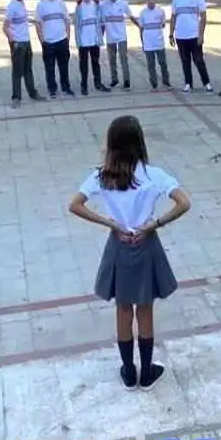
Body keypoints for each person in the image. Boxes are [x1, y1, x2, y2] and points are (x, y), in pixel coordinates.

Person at [69, 115, 190, 390]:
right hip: (146, 245)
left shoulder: (102, 176)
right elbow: (184, 203)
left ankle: (128, 370)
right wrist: (154, 224)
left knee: (123, 309)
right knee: (145, 309)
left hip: (119, 245)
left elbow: (74, 205)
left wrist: (110, 223)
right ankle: (147, 372)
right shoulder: (153, 175)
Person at [4, 0, 45, 108]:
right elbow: (5, 27)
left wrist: (34, 21)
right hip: (18, 43)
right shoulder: (12, 6)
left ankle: (33, 93)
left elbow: (21, 20)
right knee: (17, 71)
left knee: (28, 69)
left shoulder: (22, 3)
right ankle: (16, 97)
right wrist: (13, 41)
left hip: (26, 41)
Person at [169, 0, 212, 93]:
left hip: (194, 35)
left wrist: (201, 35)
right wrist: (171, 34)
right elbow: (173, 17)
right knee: (185, 61)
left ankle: (206, 82)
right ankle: (188, 83)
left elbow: (203, 17)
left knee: (198, 60)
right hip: (181, 36)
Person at [34, 0, 74, 99]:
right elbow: (37, 23)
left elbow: (67, 20)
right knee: (49, 68)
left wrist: (67, 37)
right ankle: (52, 89)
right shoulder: (41, 5)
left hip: (62, 40)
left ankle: (66, 87)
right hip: (48, 42)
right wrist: (42, 41)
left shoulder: (61, 3)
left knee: (64, 66)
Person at [74, 0, 110, 96]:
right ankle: (84, 85)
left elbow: (102, 20)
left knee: (96, 62)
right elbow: (77, 24)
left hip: (94, 39)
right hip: (84, 40)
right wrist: (78, 40)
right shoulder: (79, 6)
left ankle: (98, 83)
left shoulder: (96, 4)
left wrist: (100, 36)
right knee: (83, 64)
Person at [100, 0, 138, 90]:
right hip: (110, 37)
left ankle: (126, 81)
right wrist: (101, 36)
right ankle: (114, 79)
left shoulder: (123, 3)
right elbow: (102, 22)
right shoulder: (103, 5)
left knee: (123, 59)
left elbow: (131, 16)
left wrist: (139, 26)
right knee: (111, 59)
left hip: (121, 37)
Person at [138, 0, 171, 91]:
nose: (151, 1)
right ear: (145, 0)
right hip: (148, 43)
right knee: (151, 65)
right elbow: (141, 28)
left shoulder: (160, 11)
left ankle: (166, 82)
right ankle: (154, 84)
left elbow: (163, 24)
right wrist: (143, 43)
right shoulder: (143, 13)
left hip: (159, 42)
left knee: (163, 63)